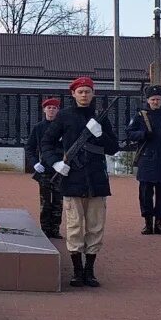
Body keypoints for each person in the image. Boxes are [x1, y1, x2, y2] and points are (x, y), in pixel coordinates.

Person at [40, 76, 120, 288]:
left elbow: (113, 148)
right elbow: (46, 143)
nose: (84, 95)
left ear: (93, 93)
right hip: (72, 179)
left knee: (95, 227)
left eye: (88, 91)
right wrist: (55, 163)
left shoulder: (100, 118)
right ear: (73, 94)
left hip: (96, 180)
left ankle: (89, 271)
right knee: (74, 227)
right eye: (80, 91)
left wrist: (101, 134)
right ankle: (77, 271)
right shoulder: (64, 117)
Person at [125, 85, 161, 236]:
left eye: (158, 99)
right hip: (147, 159)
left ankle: (159, 222)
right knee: (145, 193)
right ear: (148, 100)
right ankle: (147, 223)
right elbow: (130, 133)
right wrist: (143, 134)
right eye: (153, 99)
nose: (155, 102)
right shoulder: (140, 116)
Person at [24, 97, 63, 239]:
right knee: (45, 202)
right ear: (44, 110)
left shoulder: (63, 127)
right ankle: (45, 230)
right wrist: (35, 163)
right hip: (45, 169)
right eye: (49, 108)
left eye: (54, 108)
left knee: (58, 202)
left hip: (60, 170)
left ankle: (55, 229)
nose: (51, 110)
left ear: (58, 110)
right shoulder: (39, 128)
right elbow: (29, 147)